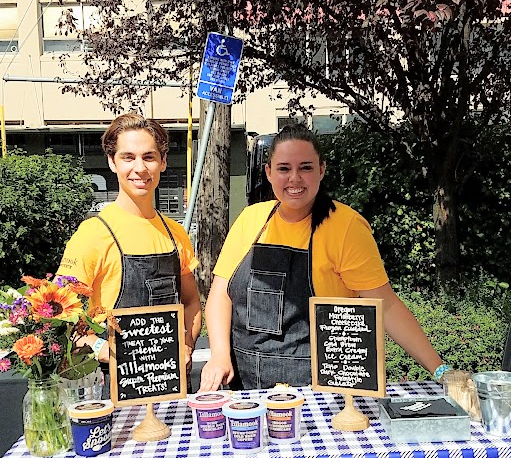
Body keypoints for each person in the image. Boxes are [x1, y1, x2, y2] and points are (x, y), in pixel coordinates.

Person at [200, 124, 449, 391]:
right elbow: (220, 294)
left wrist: (442, 370)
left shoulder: (346, 227)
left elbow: (385, 306)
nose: (294, 178)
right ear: (269, 173)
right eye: (284, 168)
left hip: (317, 390)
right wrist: (219, 355)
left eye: (305, 167)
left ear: (322, 170)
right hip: (244, 385)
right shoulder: (251, 219)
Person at [57, 113, 201, 373]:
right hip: (117, 387)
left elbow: (191, 301)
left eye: (149, 157)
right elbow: (59, 314)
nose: (140, 168)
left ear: (163, 162)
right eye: (128, 157)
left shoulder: (175, 233)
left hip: (173, 381)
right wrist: (101, 348)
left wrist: (187, 345)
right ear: (112, 162)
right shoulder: (93, 234)